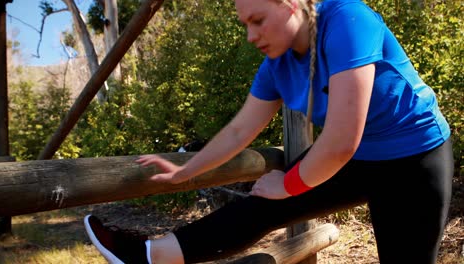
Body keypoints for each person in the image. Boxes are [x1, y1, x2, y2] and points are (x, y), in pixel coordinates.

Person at [83, 0, 454, 263]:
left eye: (257, 20)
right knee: (263, 202)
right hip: (359, 157)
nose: (250, 35)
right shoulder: (275, 65)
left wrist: (290, 184)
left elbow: (340, 140)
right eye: (245, 24)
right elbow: (238, 131)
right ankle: (154, 256)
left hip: (415, 158)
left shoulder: (347, 20)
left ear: (292, 4)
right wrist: (186, 170)